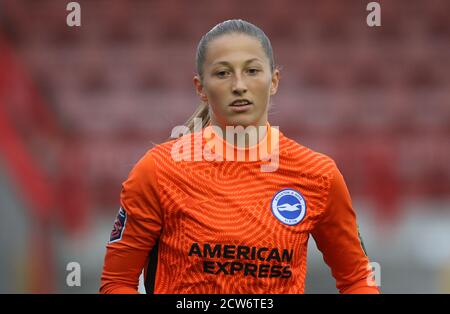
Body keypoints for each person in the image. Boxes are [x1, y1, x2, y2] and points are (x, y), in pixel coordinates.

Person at [100, 19, 380, 294]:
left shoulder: (318, 175)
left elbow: (357, 280)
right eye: (223, 73)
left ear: (274, 81)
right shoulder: (158, 170)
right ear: (200, 88)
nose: (239, 85)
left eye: (252, 71)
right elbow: (117, 283)